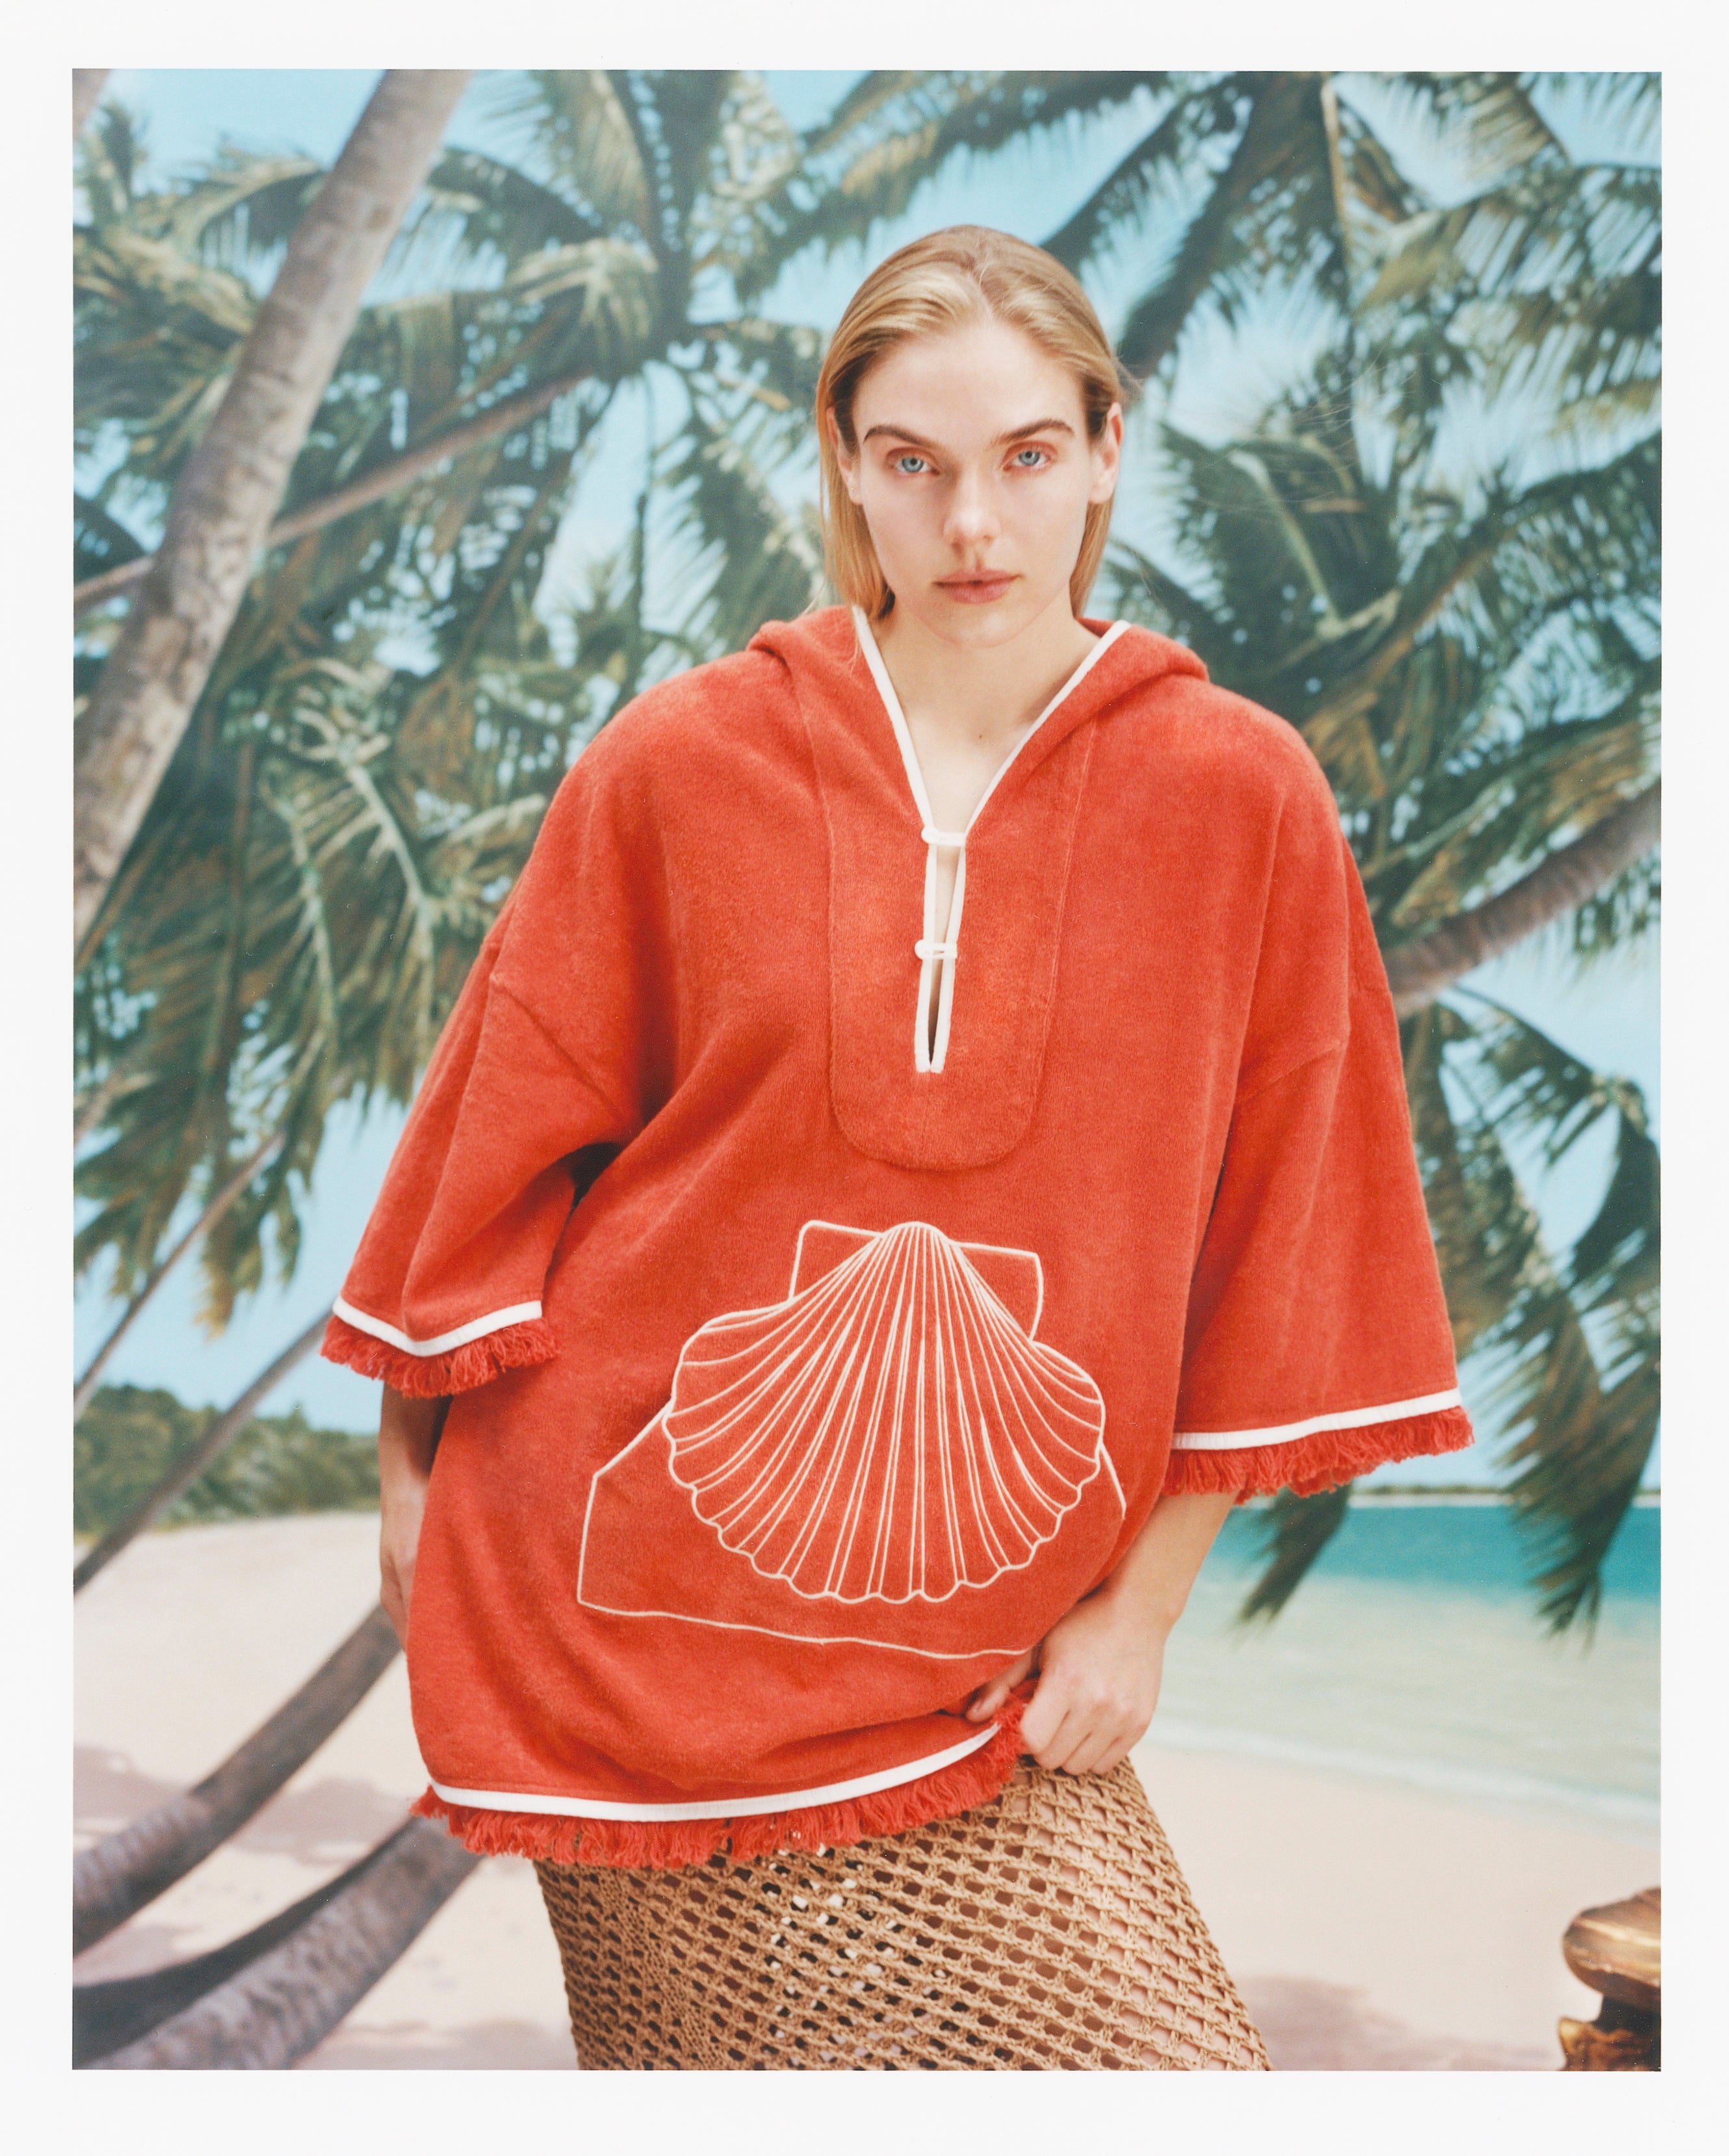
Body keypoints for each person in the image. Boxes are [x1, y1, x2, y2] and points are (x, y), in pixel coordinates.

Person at [323, 226, 1473, 2070]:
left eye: (1027, 454)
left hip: (989, 1659)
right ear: (845, 462)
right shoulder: (680, 761)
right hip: (613, 1615)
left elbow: (1287, 1227)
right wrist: (410, 1476)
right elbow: (497, 1131)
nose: (973, 527)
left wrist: (1142, 1613)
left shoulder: (1239, 794)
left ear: (1106, 448)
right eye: (913, 462)